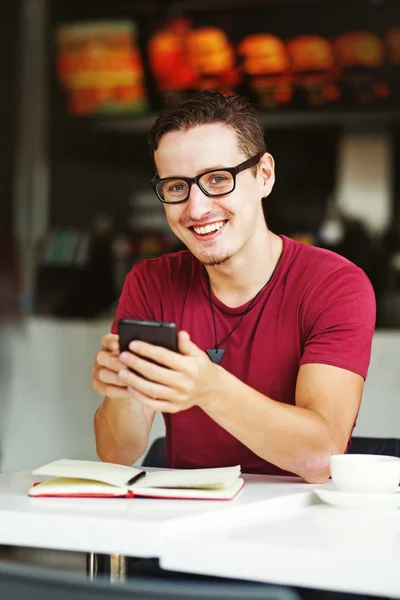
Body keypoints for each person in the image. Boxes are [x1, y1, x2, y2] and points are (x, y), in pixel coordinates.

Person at [91, 90, 375, 484]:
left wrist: (208, 387)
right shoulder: (151, 282)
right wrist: (121, 391)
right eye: (176, 188)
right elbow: (116, 455)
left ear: (264, 176)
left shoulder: (335, 285)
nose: (196, 209)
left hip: (299, 528)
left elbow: (321, 457)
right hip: (184, 525)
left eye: (218, 179)